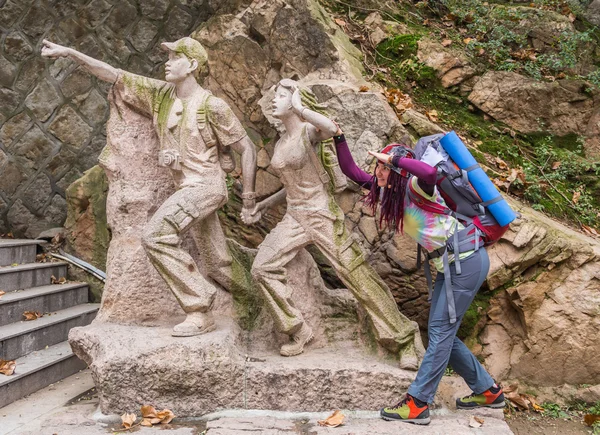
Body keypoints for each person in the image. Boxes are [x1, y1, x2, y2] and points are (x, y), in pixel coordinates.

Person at [41, 37, 258, 337]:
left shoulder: (213, 106)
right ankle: (263, 304)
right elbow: (113, 73)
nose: (167, 62)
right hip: (186, 188)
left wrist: (248, 198)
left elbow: (247, 148)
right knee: (218, 264)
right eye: (166, 56)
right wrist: (70, 51)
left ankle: (198, 308)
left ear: (193, 65)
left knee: (156, 236)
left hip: (206, 187)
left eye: (174, 56)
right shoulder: (161, 96)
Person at [247, 79, 424, 369]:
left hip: (321, 214)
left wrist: (301, 107)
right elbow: (291, 185)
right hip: (294, 216)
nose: (274, 100)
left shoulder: (308, 130)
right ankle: (298, 330)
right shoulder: (281, 143)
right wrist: (263, 205)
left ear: (295, 101)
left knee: (355, 275)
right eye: (275, 96)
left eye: (282, 96)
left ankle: (403, 338)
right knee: (262, 267)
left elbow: (331, 129)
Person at [333, 130, 505, 425]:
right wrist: (338, 137)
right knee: (442, 334)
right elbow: (351, 171)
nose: (378, 171)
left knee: (439, 332)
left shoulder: (418, 186)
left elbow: (429, 171)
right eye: (379, 166)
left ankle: (417, 403)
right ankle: (487, 391)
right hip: (451, 266)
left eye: (384, 167)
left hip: (466, 261)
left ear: (398, 170)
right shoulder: (390, 192)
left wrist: (396, 159)